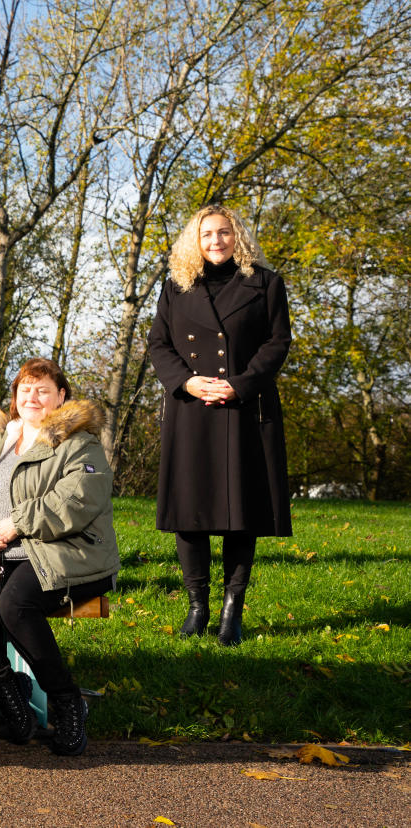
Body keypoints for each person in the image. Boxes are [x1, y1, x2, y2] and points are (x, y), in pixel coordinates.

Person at [0, 358, 119, 756]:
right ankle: (5, 691)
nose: (32, 397)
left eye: (43, 389)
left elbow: (78, 499)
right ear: (14, 398)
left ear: (61, 396)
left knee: (15, 603)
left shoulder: (80, 442)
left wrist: (16, 524)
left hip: (66, 550)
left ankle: (67, 701)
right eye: (25, 389)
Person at [148, 204, 292, 646]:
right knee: (189, 514)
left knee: (240, 515)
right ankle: (198, 606)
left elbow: (277, 342)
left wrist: (239, 385)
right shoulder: (176, 286)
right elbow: (159, 342)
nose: (216, 241)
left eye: (224, 233)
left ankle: (233, 609)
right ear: (195, 240)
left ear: (238, 237)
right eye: (207, 234)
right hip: (192, 410)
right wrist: (187, 382)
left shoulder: (266, 283)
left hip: (245, 409)